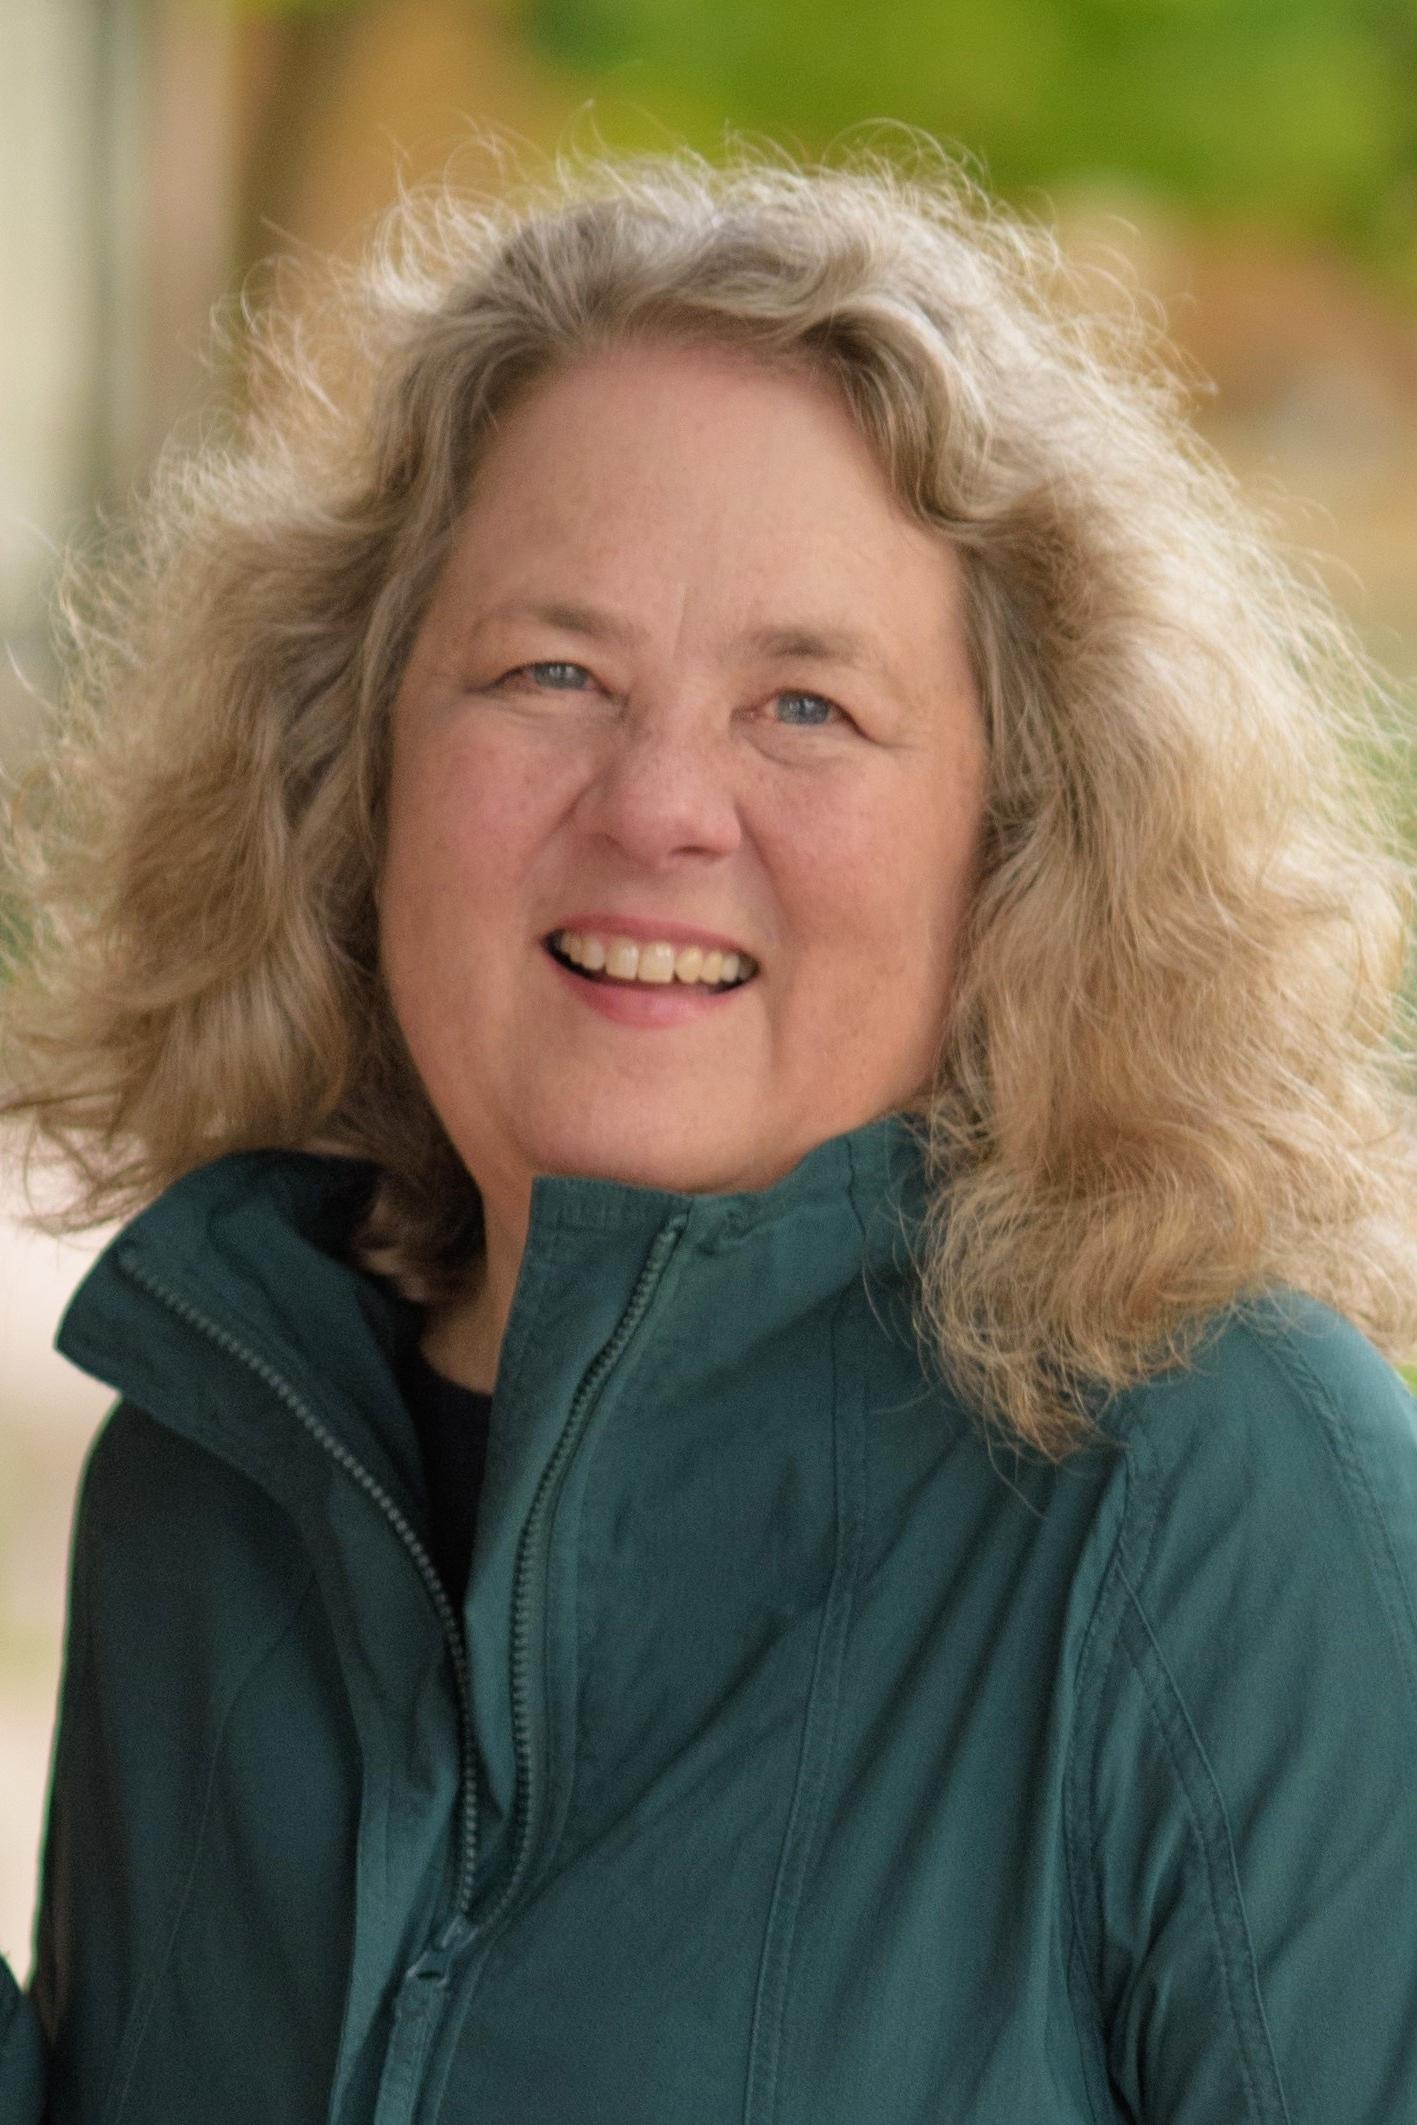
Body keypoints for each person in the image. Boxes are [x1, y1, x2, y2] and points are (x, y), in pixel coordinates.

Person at [2, 139, 1416, 2125]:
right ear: (358, 764)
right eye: (550, 671)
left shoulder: (1224, 1501)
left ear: (1012, 845)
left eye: (807, 707)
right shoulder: (214, 1471)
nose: (660, 804)